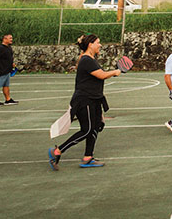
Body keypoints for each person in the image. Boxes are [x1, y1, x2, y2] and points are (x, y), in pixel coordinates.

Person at [47, 35, 122, 170]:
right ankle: (57, 151)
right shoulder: (86, 60)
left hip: (94, 99)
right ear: (90, 45)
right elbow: (101, 75)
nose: (100, 45)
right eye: (98, 42)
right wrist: (115, 72)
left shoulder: (90, 59)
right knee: (86, 130)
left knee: (96, 127)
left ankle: (88, 157)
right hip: (84, 100)